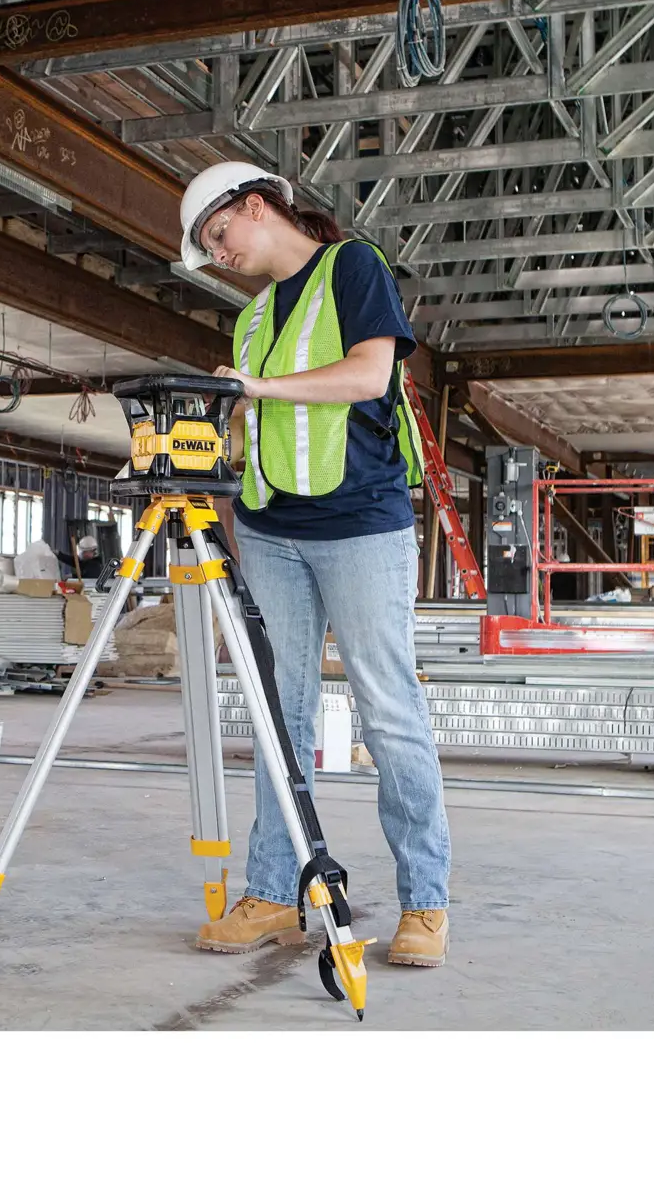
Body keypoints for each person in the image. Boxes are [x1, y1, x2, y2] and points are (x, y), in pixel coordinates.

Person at [177, 160, 453, 968]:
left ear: (257, 208)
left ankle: (425, 905)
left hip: (361, 524)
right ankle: (272, 891)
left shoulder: (353, 267)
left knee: (388, 712)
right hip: (271, 531)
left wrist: (258, 387)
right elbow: (250, 430)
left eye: (218, 235)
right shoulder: (251, 319)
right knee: (278, 716)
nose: (217, 254)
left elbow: (372, 374)